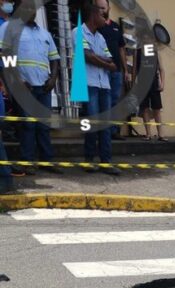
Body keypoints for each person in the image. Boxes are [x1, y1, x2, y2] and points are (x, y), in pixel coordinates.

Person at [0, 0, 61, 175]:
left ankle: (46, 161)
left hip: (44, 87)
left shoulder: (45, 33)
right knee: (27, 126)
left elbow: (54, 58)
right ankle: (27, 162)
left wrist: (53, 78)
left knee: (43, 125)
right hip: (24, 87)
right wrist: (16, 81)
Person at [75, 0, 118, 174]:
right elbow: (87, 56)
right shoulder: (78, 32)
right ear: (93, 15)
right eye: (102, 15)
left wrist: (101, 60)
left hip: (104, 85)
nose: (105, 18)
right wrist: (104, 62)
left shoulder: (100, 38)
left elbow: (111, 61)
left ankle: (106, 162)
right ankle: (89, 159)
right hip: (89, 84)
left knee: (105, 125)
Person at [98, 0, 128, 140]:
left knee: (115, 100)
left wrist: (126, 70)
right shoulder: (95, 27)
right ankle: (102, 131)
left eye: (103, 7)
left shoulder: (116, 27)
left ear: (109, 8)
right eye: (98, 8)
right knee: (102, 101)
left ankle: (114, 131)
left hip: (116, 71)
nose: (101, 10)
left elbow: (121, 49)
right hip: (101, 70)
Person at [136, 45, 166, 141]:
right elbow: (135, 70)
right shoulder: (138, 51)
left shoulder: (155, 51)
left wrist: (162, 83)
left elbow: (161, 69)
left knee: (157, 108)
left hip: (154, 83)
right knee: (144, 109)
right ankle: (148, 134)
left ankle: (161, 134)